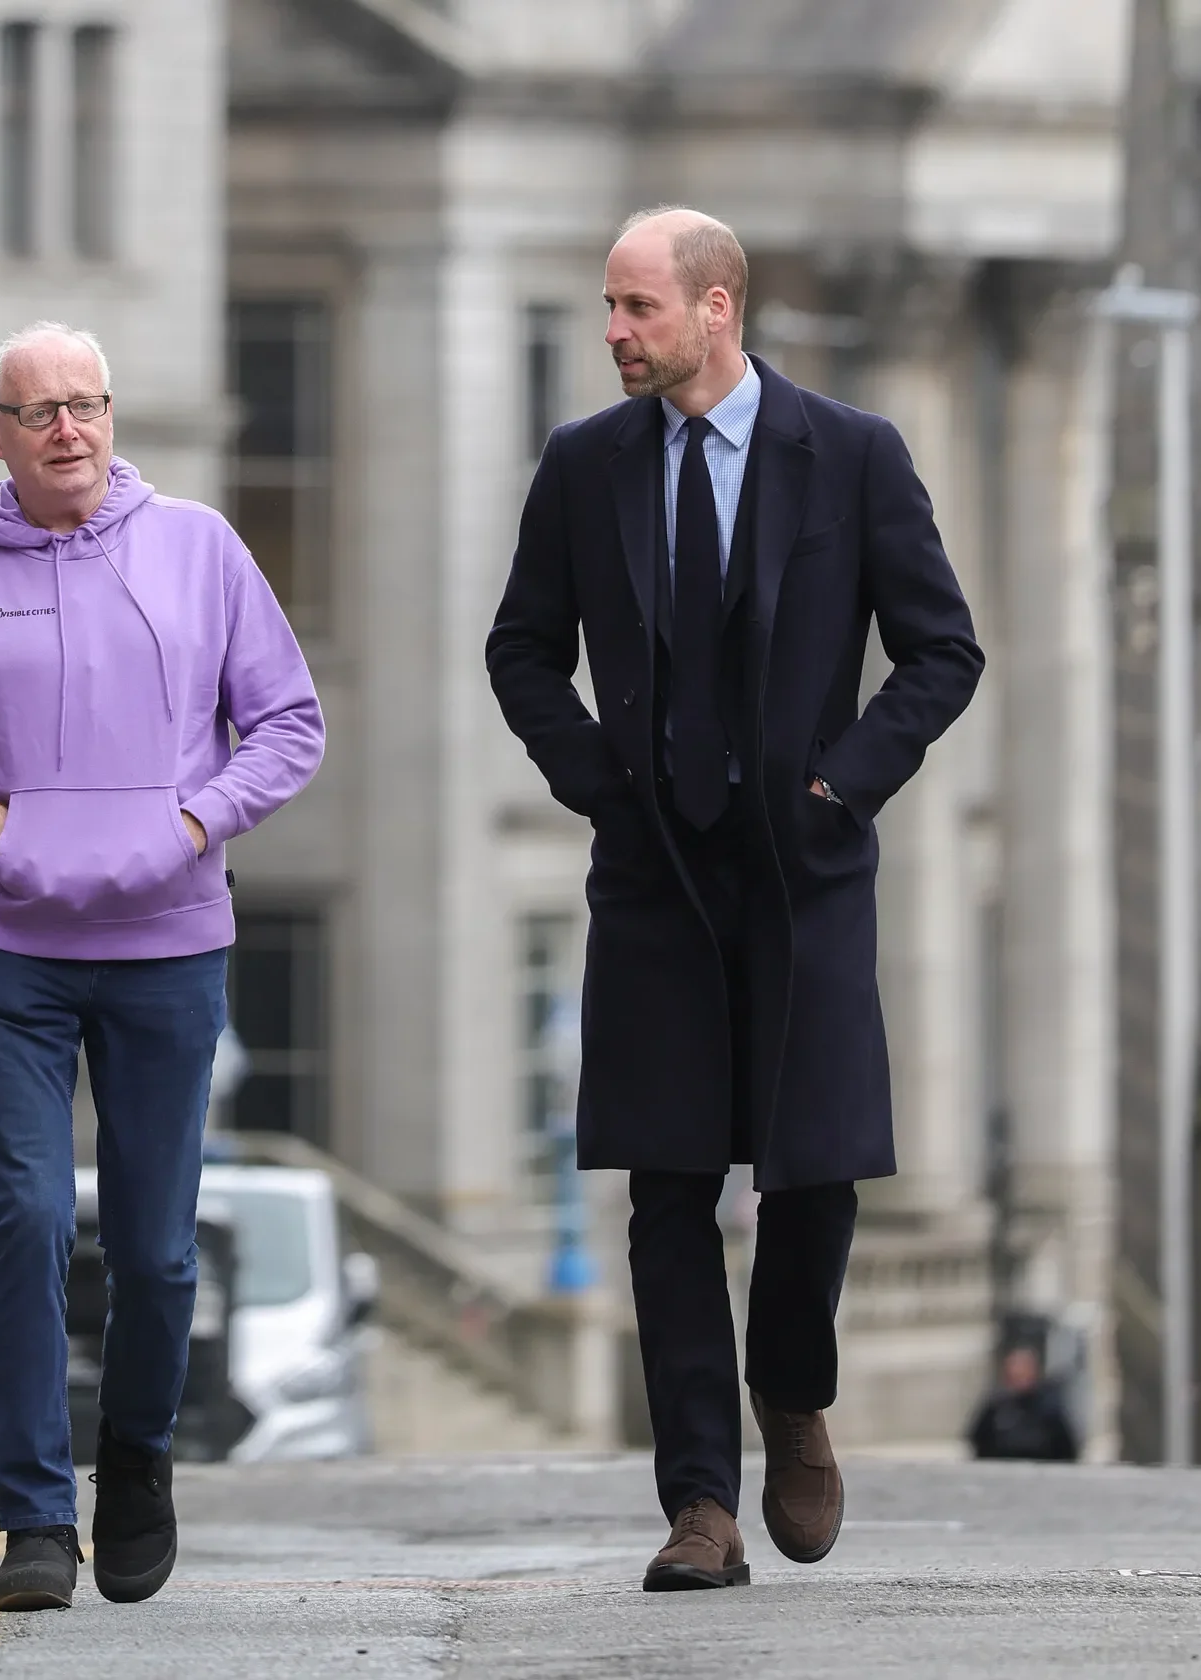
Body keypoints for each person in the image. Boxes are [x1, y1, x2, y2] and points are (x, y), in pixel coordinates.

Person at [486, 210, 983, 1590]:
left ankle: (792, 1393)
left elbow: (942, 651)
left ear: (716, 309)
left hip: (801, 871)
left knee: (812, 1171)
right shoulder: (584, 464)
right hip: (654, 874)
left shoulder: (853, 454)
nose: (613, 332)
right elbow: (522, 648)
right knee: (667, 1190)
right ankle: (699, 1504)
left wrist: (841, 785)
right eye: (608, 306)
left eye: (636, 307)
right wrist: (596, 781)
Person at [0, 322, 324, 1610]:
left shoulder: (200, 549)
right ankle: (33, 1520)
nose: (66, 429)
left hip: (170, 941)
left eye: (85, 404)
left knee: (158, 1250)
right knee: (24, 1220)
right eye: (38, 411)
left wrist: (193, 824)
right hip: (10, 947)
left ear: (111, 416)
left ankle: (137, 1462)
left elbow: (286, 724)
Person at [968, 1345, 1081, 1463]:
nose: (1020, 1373)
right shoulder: (995, 1406)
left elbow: (1066, 1448)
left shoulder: (1049, 1407)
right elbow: (979, 1440)